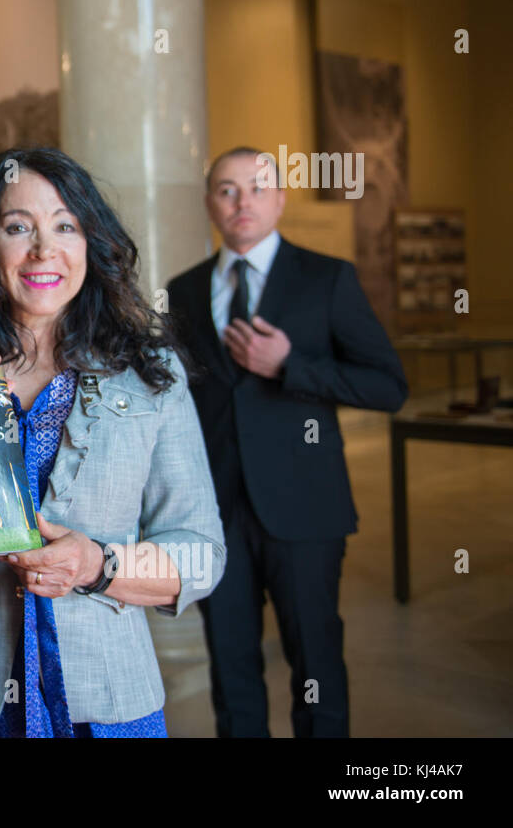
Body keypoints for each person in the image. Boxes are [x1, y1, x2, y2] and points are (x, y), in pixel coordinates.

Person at [0, 147, 226, 737]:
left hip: (104, 701)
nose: (43, 250)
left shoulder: (149, 374)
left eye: (65, 226)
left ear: (91, 243)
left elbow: (201, 553)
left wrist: (100, 565)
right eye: (17, 227)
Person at [166, 147, 408, 737]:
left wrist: (292, 365)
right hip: (214, 515)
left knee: (315, 667)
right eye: (227, 189)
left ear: (279, 199)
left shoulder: (327, 278)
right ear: (209, 205)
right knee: (231, 667)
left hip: (305, 510)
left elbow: (389, 386)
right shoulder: (184, 291)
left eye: (256, 187)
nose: (241, 201)